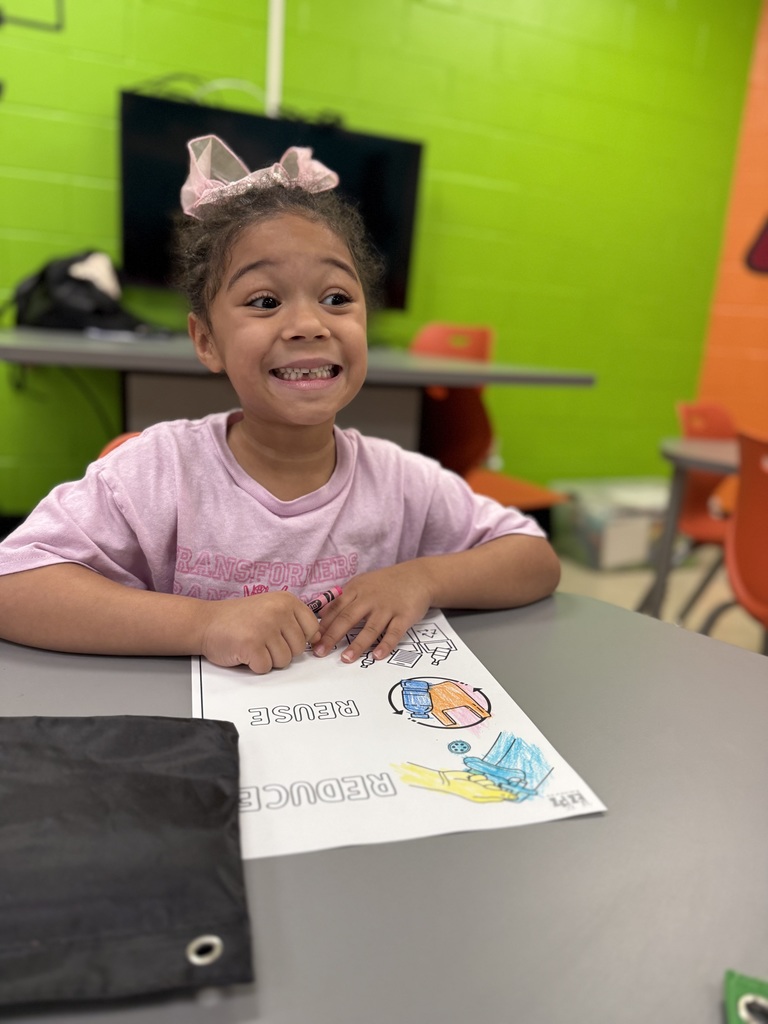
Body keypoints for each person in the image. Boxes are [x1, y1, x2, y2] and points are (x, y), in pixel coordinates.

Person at [0, 136, 561, 674]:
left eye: (336, 298)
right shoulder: (160, 471)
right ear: (206, 340)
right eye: (265, 301)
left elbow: (534, 559)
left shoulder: (398, 481)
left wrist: (423, 578)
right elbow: (13, 587)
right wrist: (203, 624)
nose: (308, 325)